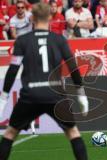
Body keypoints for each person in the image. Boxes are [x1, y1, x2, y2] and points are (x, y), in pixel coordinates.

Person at [0, 2, 88, 160]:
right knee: (73, 132)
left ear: (31, 17)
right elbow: (73, 66)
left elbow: (13, 70)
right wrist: (81, 94)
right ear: (50, 17)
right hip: (55, 95)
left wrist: (3, 98)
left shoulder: (22, 41)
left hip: (31, 95)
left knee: (10, 133)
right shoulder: (59, 39)